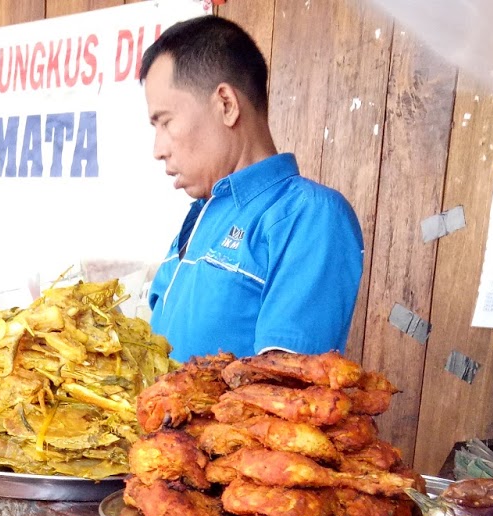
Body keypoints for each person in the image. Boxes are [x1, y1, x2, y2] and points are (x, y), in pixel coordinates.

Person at [140, 17, 363, 361]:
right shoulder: (200, 215)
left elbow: (287, 396)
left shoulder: (308, 215)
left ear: (226, 104)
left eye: (166, 122)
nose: (158, 149)